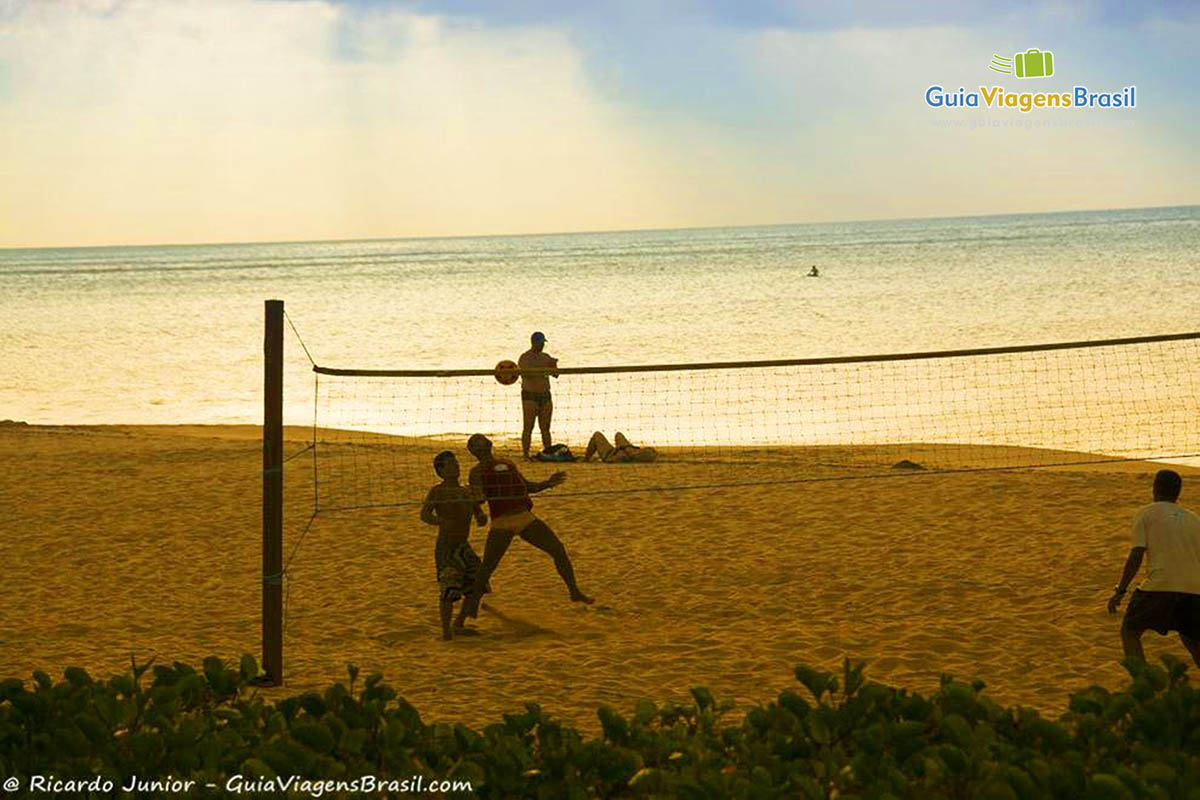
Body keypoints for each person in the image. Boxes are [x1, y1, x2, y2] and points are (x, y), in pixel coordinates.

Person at [465, 433, 593, 604]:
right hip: (502, 522)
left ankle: (574, 591)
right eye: (478, 444)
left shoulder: (507, 463)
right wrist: (478, 511)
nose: (484, 445)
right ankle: (465, 614)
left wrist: (547, 483)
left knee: (557, 549)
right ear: (474, 451)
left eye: (484, 442)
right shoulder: (476, 472)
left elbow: (528, 487)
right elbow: (477, 498)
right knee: (487, 568)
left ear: (489, 444)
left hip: (524, 517)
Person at [1107, 469, 1200, 668]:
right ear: (1178, 493)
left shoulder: (1146, 512)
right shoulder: (1194, 519)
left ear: (1154, 489)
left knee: (1130, 631)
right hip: (1194, 590)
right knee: (1192, 637)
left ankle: (1142, 683)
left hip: (1159, 587)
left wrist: (1120, 591)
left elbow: (1137, 554)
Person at [420, 451, 489, 640]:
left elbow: (476, 509)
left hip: (463, 546)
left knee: (478, 585)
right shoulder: (438, 491)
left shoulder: (465, 490)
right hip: (447, 546)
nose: (455, 467)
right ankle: (446, 632)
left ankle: (459, 623)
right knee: (449, 589)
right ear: (440, 471)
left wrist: (481, 517)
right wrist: (440, 521)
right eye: (450, 464)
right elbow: (425, 514)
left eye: (456, 463)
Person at [518, 331, 559, 459]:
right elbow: (526, 374)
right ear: (534, 343)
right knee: (528, 426)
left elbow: (556, 374)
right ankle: (525, 454)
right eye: (540, 343)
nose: (542, 346)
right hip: (530, 395)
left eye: (543, 343)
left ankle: (548, 452)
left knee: (545, 428)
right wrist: (543, 369)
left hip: (545, 395)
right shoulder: (525, 357)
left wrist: (553, 365)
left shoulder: (546, 357)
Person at [583, 431, 657, 463]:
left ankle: (586, 459)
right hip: (623, 450)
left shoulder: (620, 458)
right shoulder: (634, 453)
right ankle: (627, 449)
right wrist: (626, 448)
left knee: (597, 435)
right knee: (618, 434)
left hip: (610, 455)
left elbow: (613, 459)